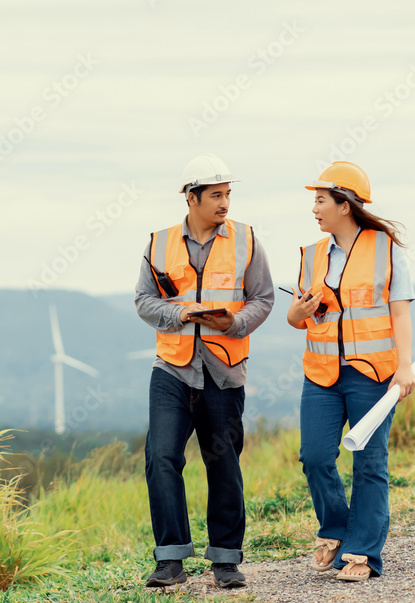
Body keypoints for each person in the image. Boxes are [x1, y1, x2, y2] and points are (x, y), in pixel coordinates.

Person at [134, 154, 274, 589]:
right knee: (161, 458)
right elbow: (144, 301)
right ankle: (171, 559)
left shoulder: (246, 240)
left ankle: (226, 560)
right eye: (216, 195)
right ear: (191, 198)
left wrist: (232, 323)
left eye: (228, 194)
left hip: (224, 370)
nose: (225, 203)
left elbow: (264, 299)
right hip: (172, 369)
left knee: (224, 463)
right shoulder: (158, 243)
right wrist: (184, 314)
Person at [287, 161, 415, 582]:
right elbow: (296, 317)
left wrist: (405, 365)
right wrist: (299, 311)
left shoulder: (386, 248)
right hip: (321, 374)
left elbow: (400, 312)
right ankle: (337, 530)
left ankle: (361, 553)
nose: (314, 209)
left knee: (369, 462)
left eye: (320, 201)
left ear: (344, 204)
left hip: (374, 374)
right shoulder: (311, 254)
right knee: (315, 457)